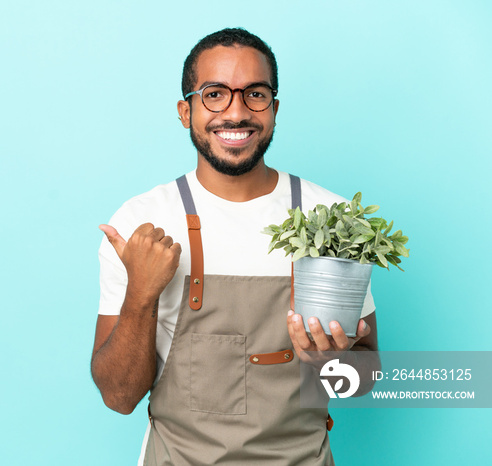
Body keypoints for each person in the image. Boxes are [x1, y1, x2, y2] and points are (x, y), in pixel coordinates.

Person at [91, 28, 378, 466]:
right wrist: (140, 294)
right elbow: (119, 396)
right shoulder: (140, 224)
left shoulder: (333, 219)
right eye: (214, 94)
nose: (237, 112)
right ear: (185, 111)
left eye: (255, 94)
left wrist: (330, 365)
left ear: (275, 109)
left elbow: (365, 376)